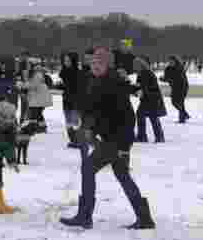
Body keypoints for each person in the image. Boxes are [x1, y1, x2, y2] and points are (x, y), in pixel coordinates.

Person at [60, 47, 155, 230]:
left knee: (88, 168)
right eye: (94, 63)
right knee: (122, 175)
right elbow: (93, 107)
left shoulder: (112, 82)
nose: (95, 66)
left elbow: (125, 115)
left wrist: (122, 143)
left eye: (100, 63)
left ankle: (85, 215)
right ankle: (144, 217)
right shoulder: (99, 80)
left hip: (117, 139)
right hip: (111, 138)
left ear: (107, 65)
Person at [131, 56, 166, 144]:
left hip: (152, 98)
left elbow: (151, 87)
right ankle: (144, 136)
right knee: (143, 115)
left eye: (135, 65)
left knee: (152, 116)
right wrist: (134, 90)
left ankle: (156, 137)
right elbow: (139, 86)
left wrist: (141, 91)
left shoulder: (147, 73)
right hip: (147, 99)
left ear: (140, 65)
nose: (134, 66)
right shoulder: (141, 73)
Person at [162, 56, 191, 123]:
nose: (170, 62)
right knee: (174, 102)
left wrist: (169, 79)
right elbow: (167, 78)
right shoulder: (168, 69)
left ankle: (182, 118)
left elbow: (181, 79)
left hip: (182, 87)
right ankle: (184, 115)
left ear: (175, 61)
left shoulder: (179, 68)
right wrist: (163, 79)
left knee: (180, 102)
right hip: (174, 87)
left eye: (172, 61)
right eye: (169, 61)